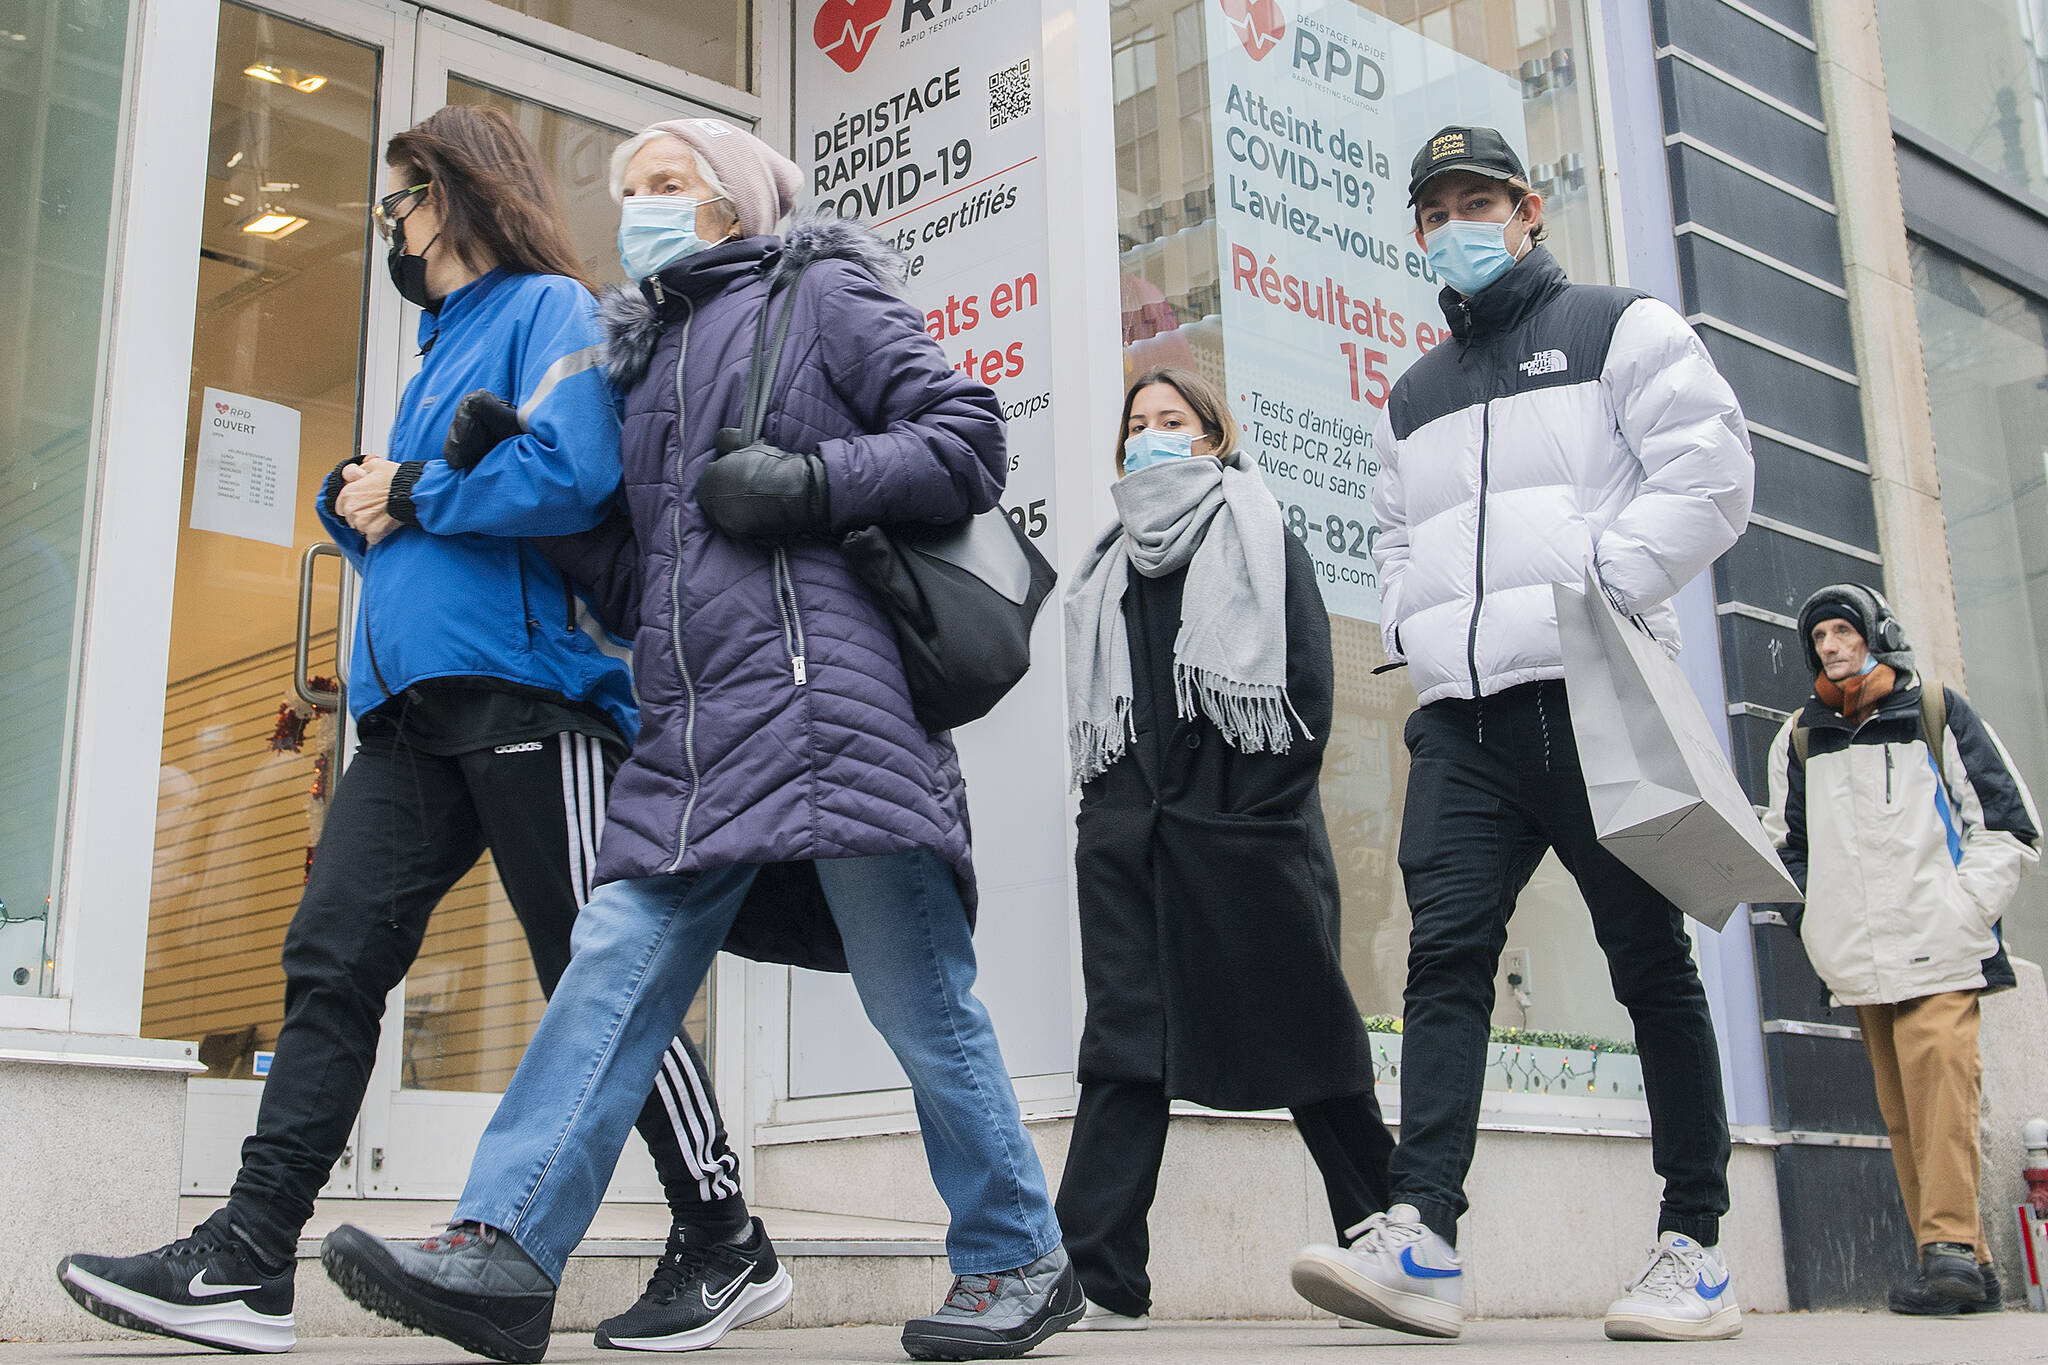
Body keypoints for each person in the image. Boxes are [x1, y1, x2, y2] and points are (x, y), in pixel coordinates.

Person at [316, 117, 1079, 1365]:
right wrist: (539, 506)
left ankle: (1016, 1258)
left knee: (919, 1003)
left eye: (665, 184)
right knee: (610, 972)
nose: (639, 209)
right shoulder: (642, 359)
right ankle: (508, 1247)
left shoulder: (817, 290)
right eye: (627, 191)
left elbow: (965, 438)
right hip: (695, 725)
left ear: (730, 203)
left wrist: (810, 480)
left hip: (832, 711)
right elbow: (639, 586)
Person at [55, 106, 771, 1357]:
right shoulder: (437, 347)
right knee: (329, 964)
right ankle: (248, 1254)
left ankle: (723, 1236)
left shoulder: (553, 308)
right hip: (404, 720)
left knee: (592, 980)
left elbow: (570, 474)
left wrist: (416, 490)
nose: (389, 221)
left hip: (527, 697)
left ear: (455, 193)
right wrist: (357, 504)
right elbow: (414, 517)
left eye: (401, 197)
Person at [1313, 125, 1756, 1342]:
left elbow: (1712, 471)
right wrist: (1414, 625)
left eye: (1478, 200)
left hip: (1595, 696)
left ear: (1527, 207)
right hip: (1461, 720)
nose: (1457, 223)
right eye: (1435, 208)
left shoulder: (1623, 327)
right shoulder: (1410, 394)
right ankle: (1422, 1239)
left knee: (1645, 965)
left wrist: (1597, 583)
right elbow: (1394, 539)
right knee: (1442, 958)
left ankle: (1693, 1245)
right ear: (1416, 233)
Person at [1058, 369, 1395, 1331]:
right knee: (1125, 1046)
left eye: (1173, 420)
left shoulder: (1256, 533)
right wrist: (1108, 821)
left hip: (1245, 839)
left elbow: (1304, 691)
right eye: (1139, 426)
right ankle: (1097, 1274)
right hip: (1131, 845)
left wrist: (1246, 817)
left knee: (1309, 1043)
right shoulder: (1105, 565)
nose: (1154, 436)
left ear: (1213, 434)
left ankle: (1392, 1242)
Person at [1763, 583, 2040, 1316]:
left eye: (1841, 631)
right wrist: (1818, 925)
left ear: (1875, 633)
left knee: (1943, 1093)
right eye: (1818, 636)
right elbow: (1786, 848)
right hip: (1860, 960)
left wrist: (1964, 910)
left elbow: (2007, 822)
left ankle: (1944, 1245)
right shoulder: (1798, 736)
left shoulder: (1934, 709)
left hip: (1943, 947)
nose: (1830, 645)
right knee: (1904, 1112)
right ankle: (1968, 1265)